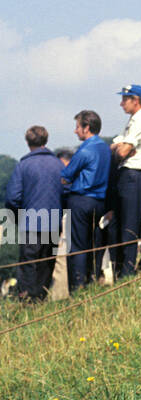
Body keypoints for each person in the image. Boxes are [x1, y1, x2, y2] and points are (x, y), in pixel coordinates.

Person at [4, 125, 63, 302]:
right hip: (53, 221)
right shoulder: (59, 164)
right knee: (47, 263)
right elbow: (67, 192)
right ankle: (40, 299)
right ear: (46, 140)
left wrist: (19, 216)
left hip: (30, 222)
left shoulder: (23, 165)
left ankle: (26, 301)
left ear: (27, 142)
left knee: (28, 265)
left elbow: (13, 198)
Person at [112, 83, 141, 277]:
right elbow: (115, 146)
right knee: (124, 222)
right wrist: (121, 148)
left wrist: (122, 148)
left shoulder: (140, 121)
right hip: (130, 174)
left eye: (125, 99)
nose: (122, 103)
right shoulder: (134, 120)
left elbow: (121, 150)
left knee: (130, 224)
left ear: (135, 101)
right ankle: (124, 269)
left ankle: (127, 272)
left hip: (135, 174)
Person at [61, 110, 110, 290]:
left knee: (78, 246)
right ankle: (92, 280)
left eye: (77, 127)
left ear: (86, 127)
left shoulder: (85, 150)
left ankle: (78, 286)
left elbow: (66, 175)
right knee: (94, 243)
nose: (75, 131)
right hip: (100, 201)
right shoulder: (105, 147)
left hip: (81, 199)